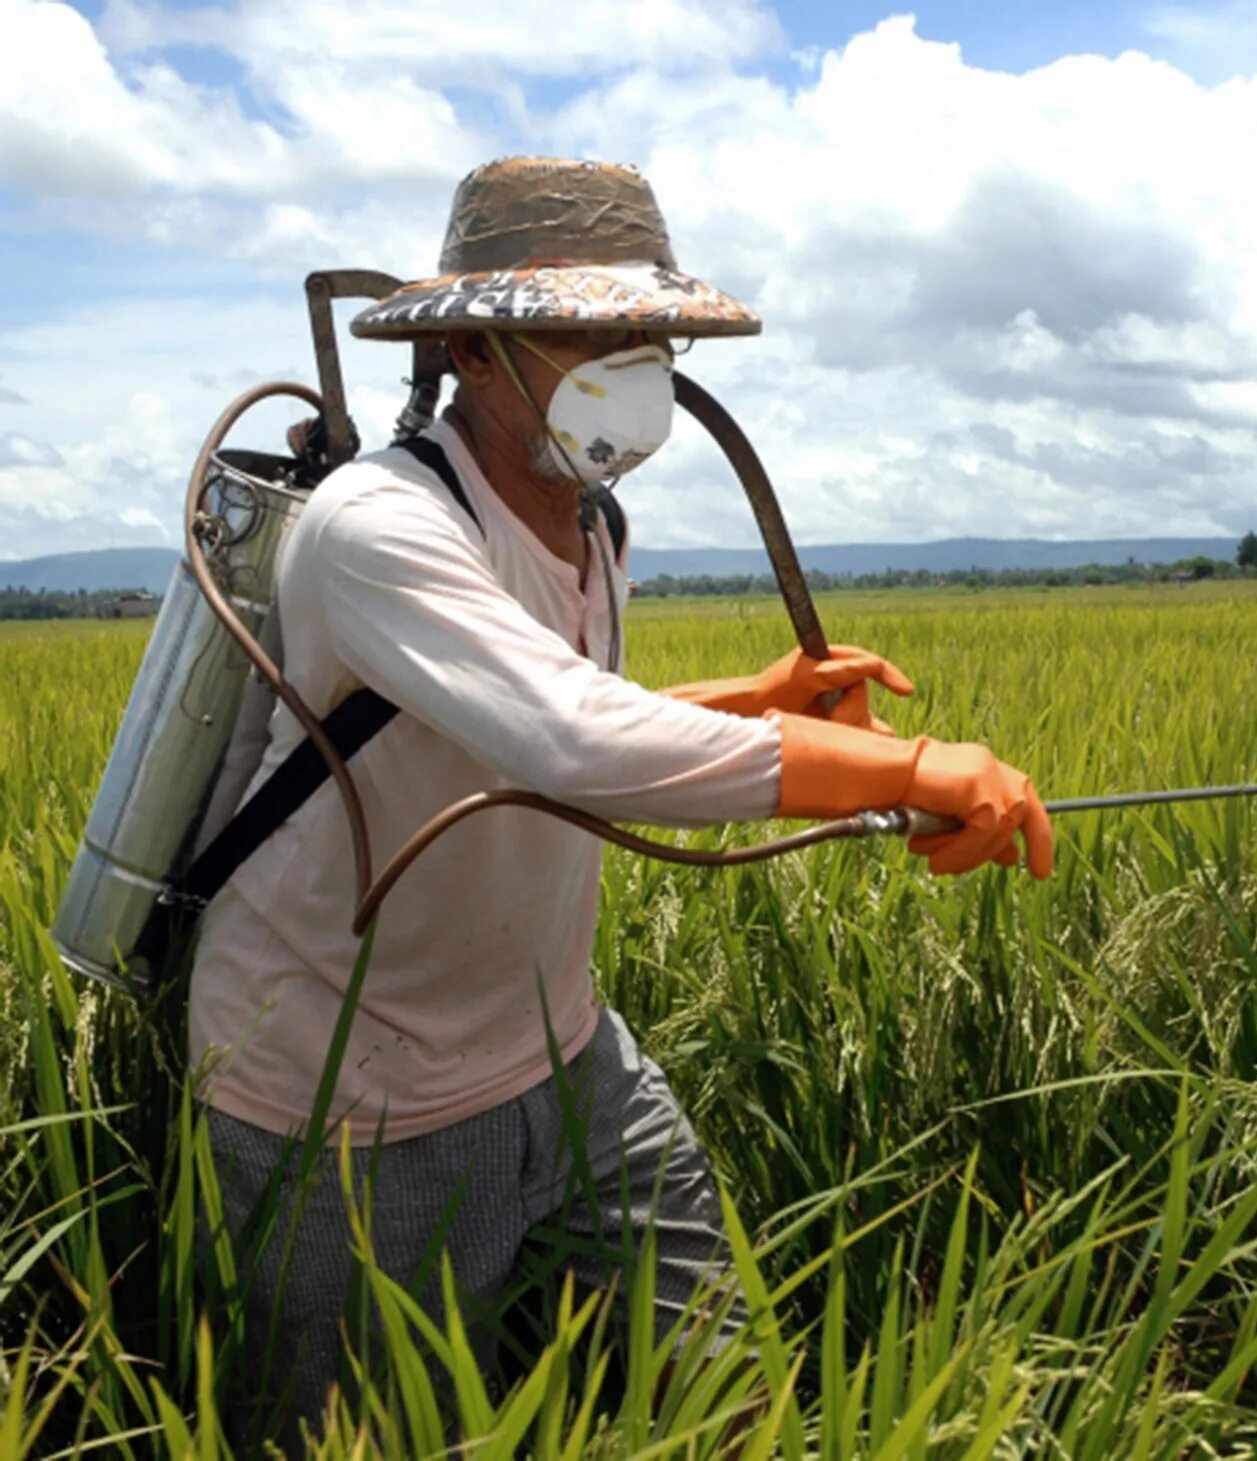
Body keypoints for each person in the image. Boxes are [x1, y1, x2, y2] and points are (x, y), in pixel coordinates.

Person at [188, 156, 1053, 1438]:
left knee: (720, 1390)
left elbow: (533, 725)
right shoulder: (376, 528)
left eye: (645, 332)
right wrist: (908, 770)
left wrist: (754, 706)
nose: (635, 363)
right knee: (359, 1437)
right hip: (342, 1098)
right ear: (475, 352)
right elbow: (570, 738)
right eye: (592, 333)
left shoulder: (592, 525)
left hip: (559, 1047)